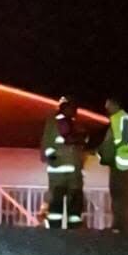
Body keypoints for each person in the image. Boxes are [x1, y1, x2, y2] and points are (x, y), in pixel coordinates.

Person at [99, 97, 128, 233]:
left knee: (121, 195)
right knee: (119, 195)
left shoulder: (119, 121)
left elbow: (111, 145)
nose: (106, 110)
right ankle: (119, 225)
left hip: (121, 163)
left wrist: (104, 156)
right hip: (121, 163)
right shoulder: (123, 120)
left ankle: (122, 226)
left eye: (108, 107)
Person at [40, 98, 85, 229]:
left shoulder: (72, 124)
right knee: (58, 204)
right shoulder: (55, 123)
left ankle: (71, 228)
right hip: (60, 175)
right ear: (65, 108)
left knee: (72, 205)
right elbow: (48, 146)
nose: (76, 112)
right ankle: (57, 229)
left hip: (71, 174)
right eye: (73, 108)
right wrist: (54, 160)